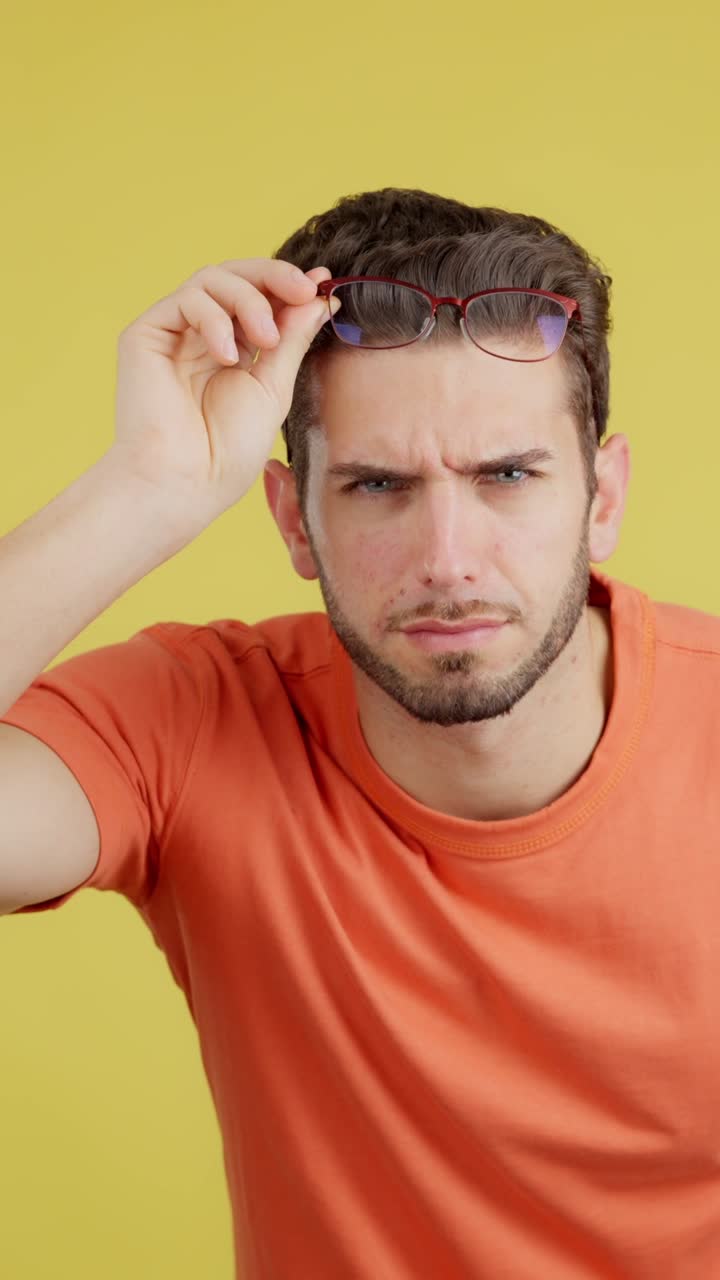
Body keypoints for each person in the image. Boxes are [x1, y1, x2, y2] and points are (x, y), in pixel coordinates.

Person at [1, 186, 718, 1279]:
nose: (447, 556)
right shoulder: (195, 717)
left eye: (507, 475)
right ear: (294, 517)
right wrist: (146, 488)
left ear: (602, 495)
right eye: (378, 485)